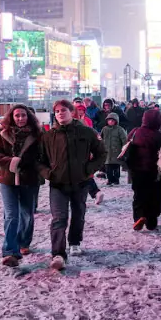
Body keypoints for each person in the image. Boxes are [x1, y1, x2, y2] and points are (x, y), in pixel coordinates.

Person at [39, 99, 107, 270]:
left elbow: (101, 153)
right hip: (58, 184)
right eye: (57, 111)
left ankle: (75, 241)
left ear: (71, 112)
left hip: (80, 182)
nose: (60, 113)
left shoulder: (86, 132)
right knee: (58, 219)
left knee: (78, 213)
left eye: (63, 110)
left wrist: (88, 169)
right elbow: (39, 161)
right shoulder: (48, 136)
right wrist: (48, 173)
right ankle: (58, 254)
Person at [0, 105, 43, 267]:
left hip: (29, 179)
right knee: (12, 215)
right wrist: (10, 162)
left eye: (23, 115)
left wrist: (28, 163)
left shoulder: (38, 134)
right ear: (11, 117)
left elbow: (43, 155)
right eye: (17, 115)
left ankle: (24, 242)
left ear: (29, 117)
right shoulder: (2, 133)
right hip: (8, 179)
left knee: (27, 213)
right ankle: (10, 251)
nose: (20, 118)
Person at [128, 109, 161, 231]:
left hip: (137, 169)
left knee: (138, 193)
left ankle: (139, 216)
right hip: (154, 169)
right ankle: (151, 221)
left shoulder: (135, 132)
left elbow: (127, 143)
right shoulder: (159, 136)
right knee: (154, 194)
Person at [101, 112, 127, 186]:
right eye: (109, 120)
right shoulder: (104, 129)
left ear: (116, 121)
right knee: (108, 168)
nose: (111, 122)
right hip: (107, 152)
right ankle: (110, 179)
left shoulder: (120, 129)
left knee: (116, 167)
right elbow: (101, 139)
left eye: (113, 120)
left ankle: (116, 179)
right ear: (107, 121)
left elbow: (124, 140)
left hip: (116, 152)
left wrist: (124, 149)